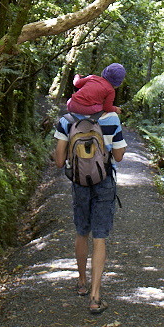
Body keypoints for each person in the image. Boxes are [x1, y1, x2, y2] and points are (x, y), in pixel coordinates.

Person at [53, 110, 126, 314]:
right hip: (104, 181)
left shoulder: (67, 120)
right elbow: (119, 157)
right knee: (100, 237)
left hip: (79, 183)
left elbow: (59, 161)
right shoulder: (111, 119)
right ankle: (95, 297)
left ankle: (82, 282)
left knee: (82, 231)